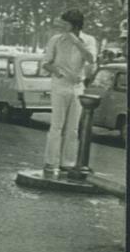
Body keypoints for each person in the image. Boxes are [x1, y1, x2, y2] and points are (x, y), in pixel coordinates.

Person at [41, 9, 97, 178]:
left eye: (65, 24)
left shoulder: (89, 40)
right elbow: (46, 62)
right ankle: (50, 161)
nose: (62, 26)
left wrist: (76, 42)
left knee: (72, 128)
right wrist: (57, 72)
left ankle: (68, 163)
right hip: (60, 84)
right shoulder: (56, 40)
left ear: (75, 25)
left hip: (77, 86)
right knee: (57, 125)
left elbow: (91, 59)